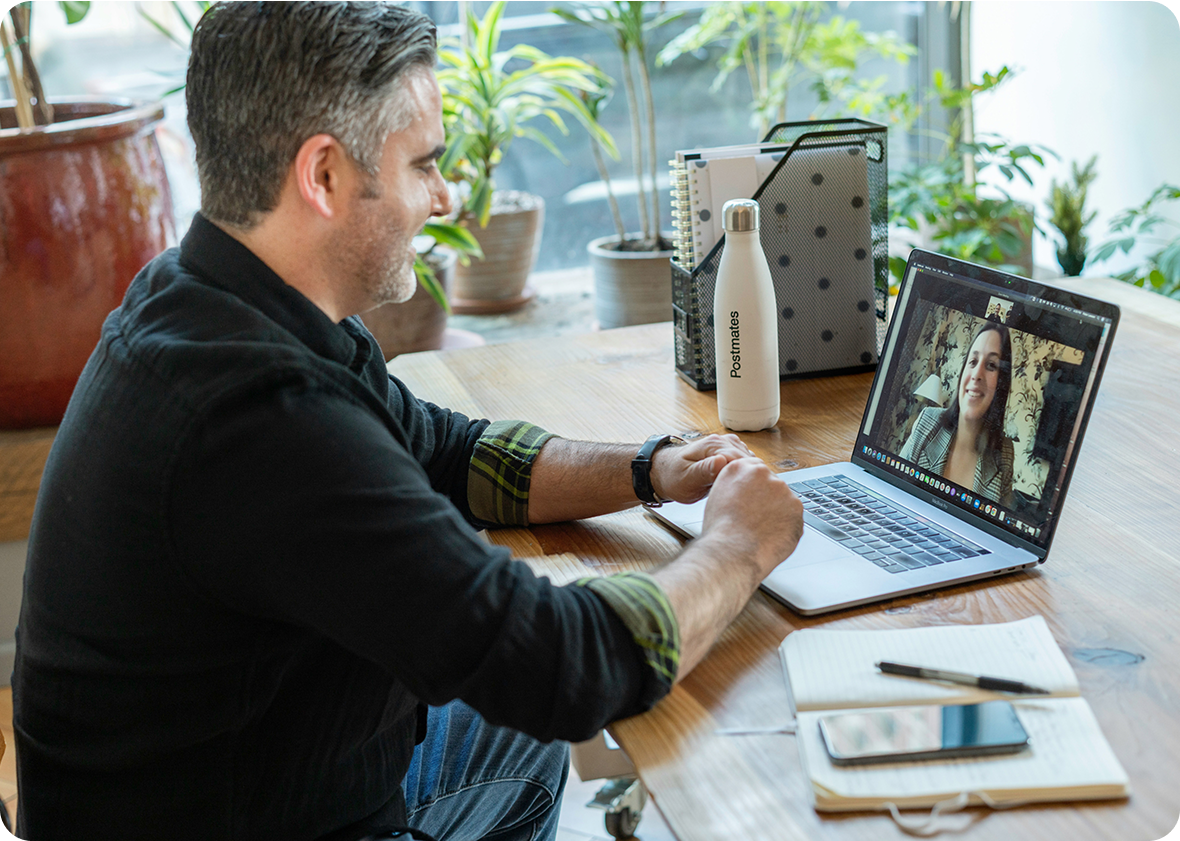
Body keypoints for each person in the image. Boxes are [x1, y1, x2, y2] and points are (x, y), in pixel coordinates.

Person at [11, 4, 803, 841]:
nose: (444, 194)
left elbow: (450, 452)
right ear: (322, 176)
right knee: (558, 693)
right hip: (262, 819)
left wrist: (650, 466)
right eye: (424, 163)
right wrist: (738, 547)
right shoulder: (260, 420)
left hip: (256, 773)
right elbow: (563, 667)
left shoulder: (215, 297)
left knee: (515, 723)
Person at [899, 321, 1014, 505]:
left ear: (1001, 383)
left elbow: (997, 528)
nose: (977, 374)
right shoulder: (927, 421)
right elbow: (893, 487)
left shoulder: (1005, 453)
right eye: (973, 361)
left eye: (991, 365)